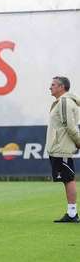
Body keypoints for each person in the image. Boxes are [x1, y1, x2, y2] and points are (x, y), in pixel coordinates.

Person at [45, 76, 80, 223]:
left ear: (62, 87)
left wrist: (78, 142)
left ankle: (72, 214)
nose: (50, 87)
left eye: (53, 85)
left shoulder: (64, 102)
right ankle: (71, 213)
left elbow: (70, 126)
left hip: (62, 147)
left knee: (68, 178)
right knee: (66, 179)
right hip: (59, 147)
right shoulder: (61, 102)